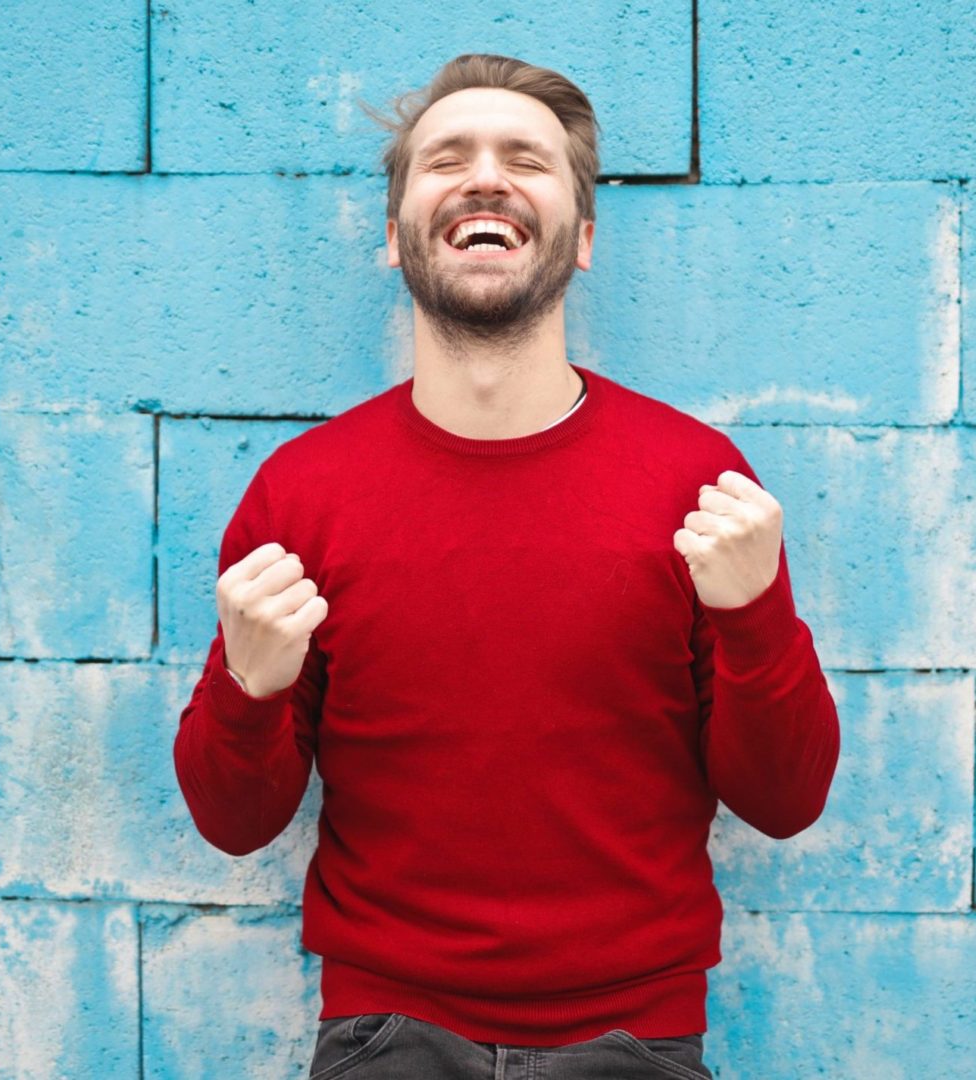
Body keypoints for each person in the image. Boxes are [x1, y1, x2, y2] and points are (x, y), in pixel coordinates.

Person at [173, 53, 841, 1079]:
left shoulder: (698, 486)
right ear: (396, 239)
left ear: (580, 238)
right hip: (383, 1039)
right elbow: (233, 820)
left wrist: (754, 620)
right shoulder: (301, 495)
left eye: (525, 160)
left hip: (639, 1044)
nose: (485, 178)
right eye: (448, 160)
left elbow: (787, 799)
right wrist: (248, 686)